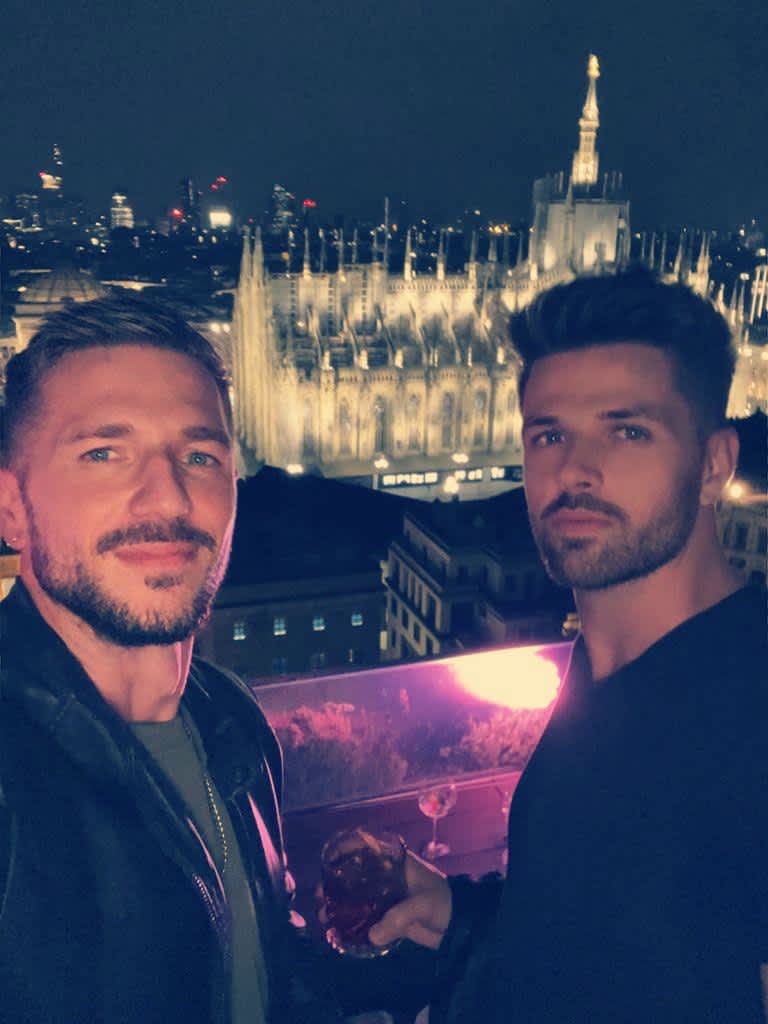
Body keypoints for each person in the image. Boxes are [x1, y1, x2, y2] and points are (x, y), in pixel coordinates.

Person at [0, 296, 433, 1024]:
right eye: (103, 454)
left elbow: (255, 975)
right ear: (10, 508)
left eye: (200, 455)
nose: (168, 494)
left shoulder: (231, 721)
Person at [369, 268, 768, 1023]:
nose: (575, 470)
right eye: (549, 435)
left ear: (714, 465)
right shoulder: (602, 668)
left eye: (628, 430)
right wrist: (457, 914)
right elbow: (600, 944)